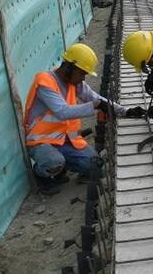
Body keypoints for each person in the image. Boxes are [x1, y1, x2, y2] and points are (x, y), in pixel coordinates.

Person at [24, 43, 145, 194]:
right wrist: (94, 106)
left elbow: (96, 98)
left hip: (66, 139)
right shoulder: (45, 83)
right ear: (70, 67)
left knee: (95, 165)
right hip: (42, 142)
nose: (83, 77)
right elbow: (62, 111)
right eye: (82, 73)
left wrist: (125, 111)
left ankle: (62, 167)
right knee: (53, 162)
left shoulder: (74, 82)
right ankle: (42, 175)